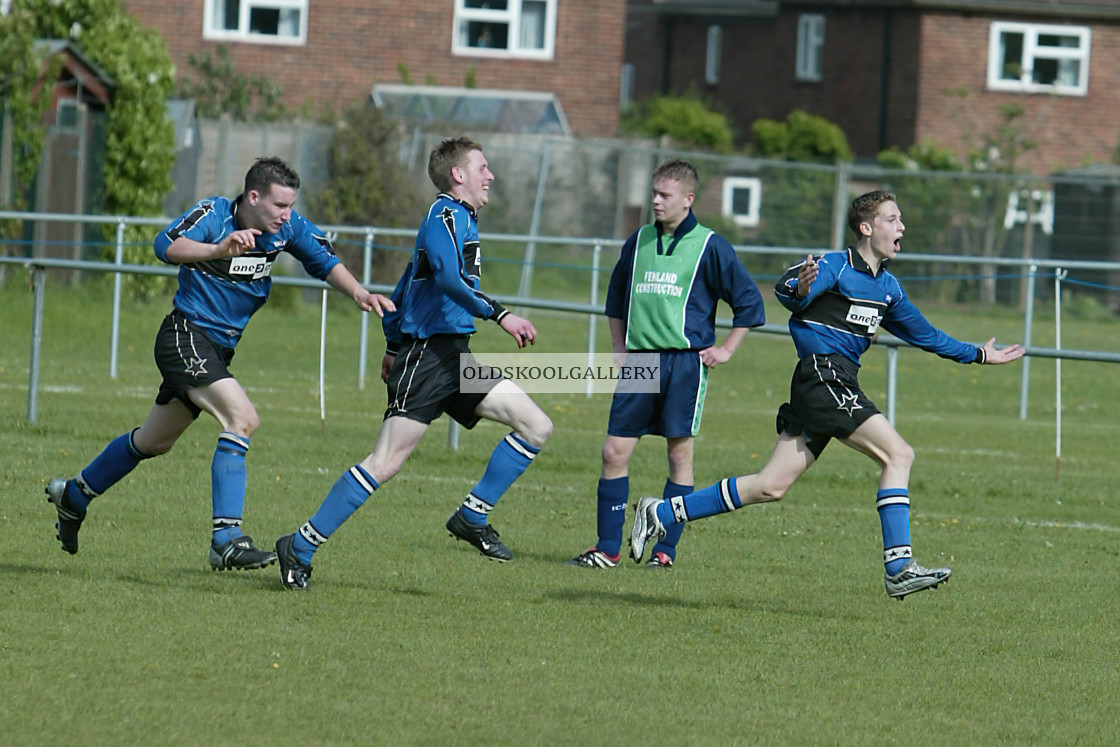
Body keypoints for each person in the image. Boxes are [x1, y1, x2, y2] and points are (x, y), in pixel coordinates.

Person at [629, 189, 1025, 598]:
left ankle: (661, 511)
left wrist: (979, 354)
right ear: (866, 228)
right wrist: (800, 288)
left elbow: (928, 336)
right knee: (899, 454)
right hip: (822, 376)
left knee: (770, 486)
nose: (902, 226)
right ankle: (899, 566)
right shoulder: (834, 266)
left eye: (901, 219)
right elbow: (786, 292)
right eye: (892, 219)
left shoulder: (888, 288)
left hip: (834, 381)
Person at [46, 156, 393, 571]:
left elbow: (322, 260)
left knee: (154, 441)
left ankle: (75, 495)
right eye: (280, 205)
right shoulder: (214, 215)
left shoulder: (285, 229)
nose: (287, 215)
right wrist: (217, 249)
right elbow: (165, 245)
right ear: (253, 196)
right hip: (185, 336)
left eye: (291, 206)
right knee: (242, 418)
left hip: (217, 349)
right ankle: (226, 540)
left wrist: (359, 293)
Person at [274, 137, 552, 590]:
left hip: (453, 355)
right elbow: (445, 278)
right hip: (428, 358)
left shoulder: (461, 218)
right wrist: (501, 314)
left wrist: (390, 343)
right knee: (385, 462)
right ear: (458, 175)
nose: (491, 175)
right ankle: (300, 546)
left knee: (536, 426)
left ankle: (471, 515)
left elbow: (407, 285)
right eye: (483, 167)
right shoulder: (443, 214)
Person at [566, 160, 766, 570]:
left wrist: (726, 348)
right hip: (640, 362)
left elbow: (750, 303)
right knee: (613, 452)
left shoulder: (711, 246)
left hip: (684, 366)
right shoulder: (637, 241)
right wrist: (618, 349)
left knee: (679, 457)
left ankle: (665, 551)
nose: (655, 201)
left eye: (665, 195)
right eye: (654, 193)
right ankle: (607, 549)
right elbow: (616, 299)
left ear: (688, 200)